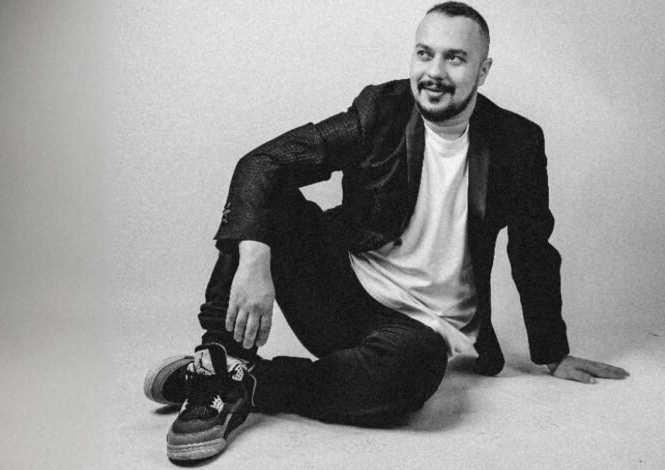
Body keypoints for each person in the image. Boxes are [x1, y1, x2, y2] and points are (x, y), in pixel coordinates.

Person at [143, 1, 629, 462]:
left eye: (455, 58)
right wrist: (254, 259)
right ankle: (216, 364)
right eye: (425, 53)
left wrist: (553, 352)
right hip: (339, 295)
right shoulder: (381, 111)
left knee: (408, 377)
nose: (434, 72)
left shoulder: (517, 143)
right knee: (268, 202)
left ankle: (248, 382)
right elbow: (264, 163)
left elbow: (532, 248)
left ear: (483, 71)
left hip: (419, 330)